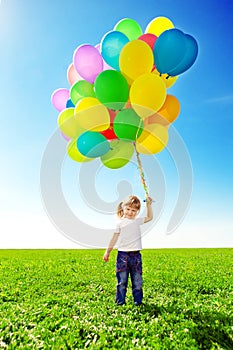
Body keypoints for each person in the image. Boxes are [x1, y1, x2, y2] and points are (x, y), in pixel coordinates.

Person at [103, 195, 153, 306]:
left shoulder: (137, 221)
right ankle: (120, 302)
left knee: (137, 281)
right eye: (128, 209)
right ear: (123, 208)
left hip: (136, 256)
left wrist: (148, 205)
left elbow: (150, 217)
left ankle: (138, 302)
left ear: (137, 211)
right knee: (122, 281)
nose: (130, 212)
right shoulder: (120, 223)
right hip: (122, 256)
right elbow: (114, 238)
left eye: (134, 210)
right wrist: (108, 251)